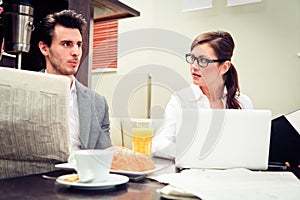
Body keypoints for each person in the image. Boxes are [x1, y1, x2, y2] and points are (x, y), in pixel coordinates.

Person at [152, 30, 253, 159]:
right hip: (194, 173)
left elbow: (248, 148)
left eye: (203, 61)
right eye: (193, 58)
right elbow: (158, 143)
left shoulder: (243, 103)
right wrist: (197, 154)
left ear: (224, 67)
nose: (194, 66)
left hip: (232, 173)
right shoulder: (180, 100)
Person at [38, 10, 112, 152]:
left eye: (78, 44)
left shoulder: (98, 103)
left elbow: (105, 156)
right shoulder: (24, 91)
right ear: (44, 48)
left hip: (82, 173)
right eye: (67, 44)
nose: (76, 52)